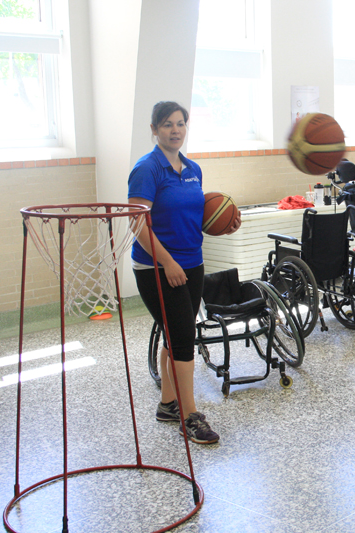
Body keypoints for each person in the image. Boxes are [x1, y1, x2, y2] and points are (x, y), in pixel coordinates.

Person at [128, 101, 241, 445]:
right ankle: (190, 416)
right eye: (167, 124)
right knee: (182, 338)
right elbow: (137, 223)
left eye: (180, 124)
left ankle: (167, 404)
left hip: (192, 262)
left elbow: (197, 216)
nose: (175, 130)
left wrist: (226, 224)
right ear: (154, 130)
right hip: (157, 267)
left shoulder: (192, 169)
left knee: (175, 331)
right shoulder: (147, 169)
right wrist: (167, 262)